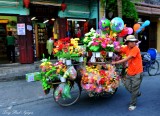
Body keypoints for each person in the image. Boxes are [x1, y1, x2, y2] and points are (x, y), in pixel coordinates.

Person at [112, 35, 143, 111]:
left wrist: (116, 62)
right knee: (126, 85)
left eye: (134, 41)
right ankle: (136, 93)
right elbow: (119, 50)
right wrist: (109, 47)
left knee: (134, 88)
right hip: (129, 71)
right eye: (131, 41)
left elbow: (127, 58)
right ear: (128, 43)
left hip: (137, 72)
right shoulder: (126, 48)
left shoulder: (136, 49)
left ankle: (133, 104)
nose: (133, 43)